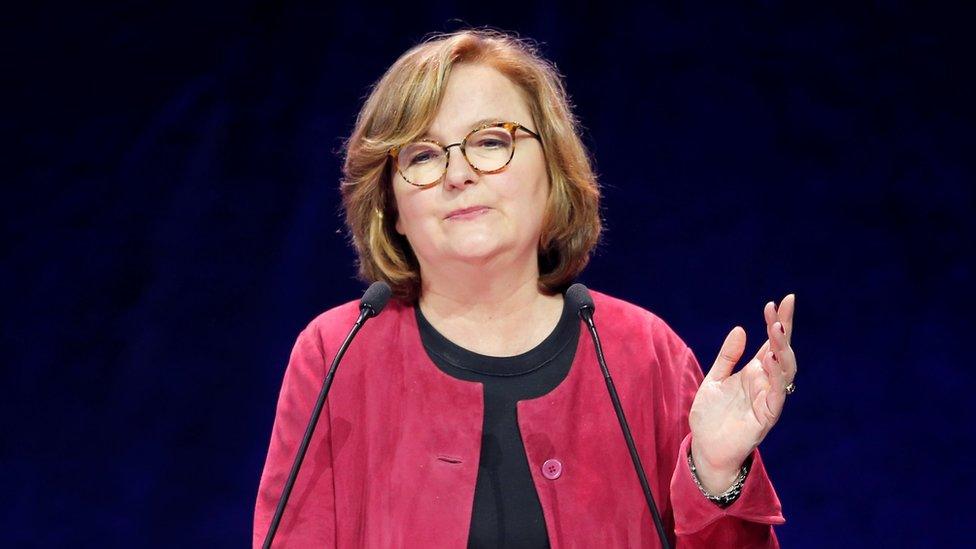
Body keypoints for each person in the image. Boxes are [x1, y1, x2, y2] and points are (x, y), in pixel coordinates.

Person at [254, 29, 796, 548]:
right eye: (421, 155)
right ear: (392, 207)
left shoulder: (642, 352)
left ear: (553, 170)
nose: (458, 173)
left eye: (491, 141)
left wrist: (716, 473)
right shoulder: (336, 353)